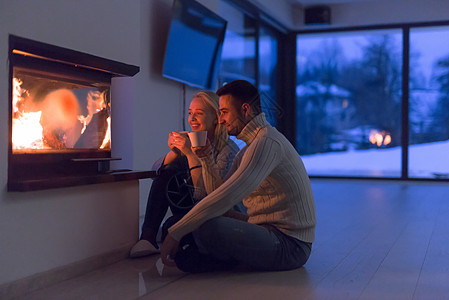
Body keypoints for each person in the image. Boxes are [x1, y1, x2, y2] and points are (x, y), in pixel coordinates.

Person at [161, 80, 316, 272]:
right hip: (263, 229)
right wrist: (206, 158)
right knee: (177, 223)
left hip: (290, 245)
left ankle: (224, 259)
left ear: (245, 110)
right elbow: (216, 194)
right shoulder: (250, 147)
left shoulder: (266, 143)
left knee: (207, 228)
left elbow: (225, 198)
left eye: (224, 112)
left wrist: (176, 234)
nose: (220, 119)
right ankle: (220, 255)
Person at [129, 91, 240, 258]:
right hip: (193, 208)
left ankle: (179, 241)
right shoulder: (191, 140)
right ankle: (148, 237)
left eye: (199, 114)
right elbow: (156, 173)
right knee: (170, 167)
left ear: (216, 118)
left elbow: (206, 197)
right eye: (190, 113)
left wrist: (190, 155)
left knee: (170, 226)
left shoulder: (228, 150)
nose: (192, 119)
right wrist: (173, 152)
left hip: (216, 214)